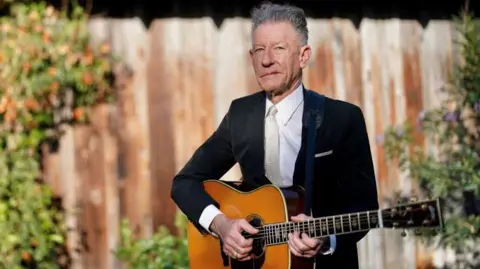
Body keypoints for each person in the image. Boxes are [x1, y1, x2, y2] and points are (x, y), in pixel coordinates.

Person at [170, 2, 379, 268]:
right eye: (259, 50)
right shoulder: (240, 114)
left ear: (303, 56)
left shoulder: (342, 118)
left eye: (279, 48)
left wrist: (327, 239)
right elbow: (184, 183)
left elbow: (365, 207)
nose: (267, 59)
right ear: (251, 57)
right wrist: (221, 225)